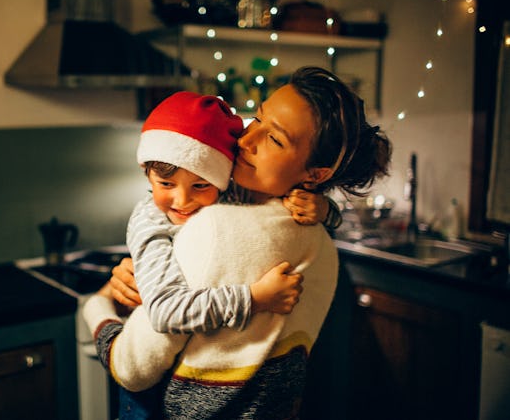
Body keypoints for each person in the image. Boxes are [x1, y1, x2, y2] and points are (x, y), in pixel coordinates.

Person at [83, 66, 392, 418]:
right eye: (256, 120)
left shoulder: (215, 229)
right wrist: (323, 208)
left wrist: (99, 305)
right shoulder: (315, 236)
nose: (245, 140)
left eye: (274, 139)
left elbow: (135, 368)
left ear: (316, 175)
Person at [118, 90, 336, 418]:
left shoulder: (230, 192)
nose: (182, 201)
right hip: (149, 401)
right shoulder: (150, 223)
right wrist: (254, 299)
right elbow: (164, 313)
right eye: (166, 184)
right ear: (147, 174)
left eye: (200, 186)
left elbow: (295, 200)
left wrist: (325, 208)